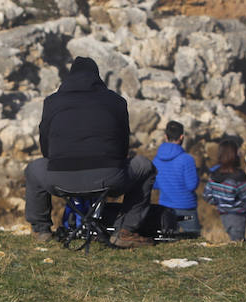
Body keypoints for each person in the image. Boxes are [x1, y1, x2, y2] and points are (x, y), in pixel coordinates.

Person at [24, 56, 157, 248]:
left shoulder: (52, 102)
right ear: (97, 77)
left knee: (34, 169)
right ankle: (126, 231)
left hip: (60, 179)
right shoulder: (116, 101)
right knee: (145, 166)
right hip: (108, 178)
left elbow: (45, 147)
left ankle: (41, 230)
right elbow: (123, 145)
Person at [202, 137, 246, 242]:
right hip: (237, 216)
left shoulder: (214, 175)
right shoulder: (238, 178)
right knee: (238, 243)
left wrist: (220, 202)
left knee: (234, 240)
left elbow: (207, 196)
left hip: (223, 215)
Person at [152, 121, 200, 236]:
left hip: (165, 206)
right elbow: (192, 185)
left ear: (165, 136)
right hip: (186, 206)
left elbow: (155, 184)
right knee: (193, 240)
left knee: (168, 240)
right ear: (182, 137)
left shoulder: (156, 160)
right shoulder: (187, 159)